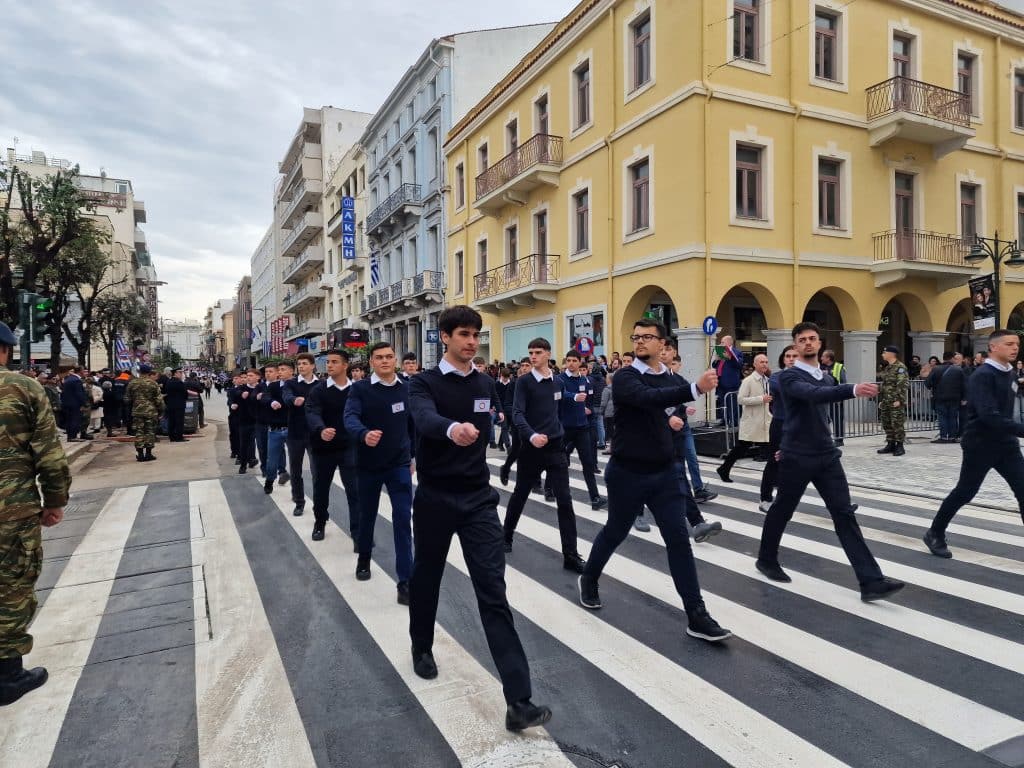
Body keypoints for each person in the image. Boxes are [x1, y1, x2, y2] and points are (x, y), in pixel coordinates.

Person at [407, 305, 552, 732]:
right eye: (464, 334)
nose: (472, 341)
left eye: (476, 334)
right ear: (445, 337)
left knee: (493, 591)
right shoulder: (422, 382)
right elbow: (423, 418)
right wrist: (452, 429)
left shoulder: (487, 382)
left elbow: (501, 416)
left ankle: (519, 700)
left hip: (477, 501)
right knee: (426, 576)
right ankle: (421, 646)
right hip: (434, 497)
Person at [577, 319, 730, 641]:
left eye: (648, 337)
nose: (640, 342)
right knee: (615, 531)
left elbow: (664, 406)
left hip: (664, 473)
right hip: (627, 471)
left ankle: (696, 614)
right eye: (636, 337)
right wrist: (695, 389)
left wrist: (673, 420)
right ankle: (589, 577)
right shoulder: (625, 377)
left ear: (664, 344)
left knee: (678, 542)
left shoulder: (671, 377)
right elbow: (645, 398)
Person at [756, 322, 905, 601]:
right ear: (795, 345)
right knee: (782, 509)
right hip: (797, 456)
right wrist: (853, 389)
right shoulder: (789, 378)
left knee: (844, 514)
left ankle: (870, 581)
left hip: (826, 455)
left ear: (820, 343)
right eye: (802, 340)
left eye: (813, 338)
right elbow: (813, 396)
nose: (808, 343)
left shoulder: (825, 377)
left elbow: (821, 406)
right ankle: (766, 559)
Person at [0, 321, 71, 707]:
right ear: (6, 350)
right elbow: (48, 451)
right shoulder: (24, 388)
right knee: (11, 587)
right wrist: (55, 500)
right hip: (11, 511)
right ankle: (8, 675)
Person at [923, 329, 1024, 559]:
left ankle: (935, 532)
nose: (1014, 347)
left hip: (1006, 444)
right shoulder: (982, 375)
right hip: (981, 443)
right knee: (965, 491)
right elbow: (989, 415)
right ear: (993, 347)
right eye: (1009, 344)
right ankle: (935, 532)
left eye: (1016, 343)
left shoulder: (1009, 373)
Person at [502, 338, 586, 572]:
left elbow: (556, 412)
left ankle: (570, 555)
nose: (533, 356)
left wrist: (557, 433)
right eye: (530, 352)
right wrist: (531, 435)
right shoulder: (524, 383)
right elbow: (518, 414)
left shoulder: (558, 382)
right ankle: (505, 536)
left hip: (555, 448)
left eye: (538, 352)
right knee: (520, 494)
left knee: (565, 501)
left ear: (548, 354)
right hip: (532, 448)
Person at [344, 342, 415, 603]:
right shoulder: (360, 389)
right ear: (371, 362)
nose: (385, 361)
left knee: (402, 520)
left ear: (395, 360)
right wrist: (364, 434)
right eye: (379, 357)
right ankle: (364, 558)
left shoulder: (407, 389)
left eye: (389, 357)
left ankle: (405, 580)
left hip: (399, 465)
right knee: (367, 516)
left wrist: (413, 456)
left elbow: (412, 425)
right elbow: (350, 418)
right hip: (368, 465)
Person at [305, 349, 359, 543]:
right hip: (323, 448)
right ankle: (320, 521)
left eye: (334, 362)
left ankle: (357, 530)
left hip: (349, 447)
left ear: (345, 365)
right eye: (328, 362)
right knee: (321, 489)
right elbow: (312, 412)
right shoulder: (318, 390)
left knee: (354, 490)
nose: (329, 365)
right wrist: (321, 429)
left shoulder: (357, 390)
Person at [555, 351, 606, 510]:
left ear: (580, 362)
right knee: (557, 461)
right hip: (564, 427)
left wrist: (588, 409)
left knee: (588, 463)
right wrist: (574, 397)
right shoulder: (559, 379)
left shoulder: (585, 379)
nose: (571, 363)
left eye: (574, 360)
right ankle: (550, 489)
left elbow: (589, 398)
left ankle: (595, 497)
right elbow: (559, 394)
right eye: (568, 360)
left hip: (582, 427)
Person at [716, 354, 772, 482]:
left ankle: (773, 479)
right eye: (761, 362)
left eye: (766, 362)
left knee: (770, 450)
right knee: (741, 448)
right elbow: (741, 399)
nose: (764, 364)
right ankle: (724, 468)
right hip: (752, 421)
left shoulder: (767, 379)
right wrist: (760, 399)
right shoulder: (748, 381)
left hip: (765, 420)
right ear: (755, 364)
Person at [759, 345, 798, 511]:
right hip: (780, 424)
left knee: (814, 463)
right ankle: (765, 498)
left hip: (801, 425)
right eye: (788, 356)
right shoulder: (776, 377)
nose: (791, 358)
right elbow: (787, 391)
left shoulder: (808, 376)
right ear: (783, 359)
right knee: (774, 461)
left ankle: (839, 504)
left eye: (795, 356)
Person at [281, 354, 318, 516]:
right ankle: (299, 501)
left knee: (318, 471)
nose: (301, 366)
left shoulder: (321, 385)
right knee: (296, 470)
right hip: (295, 433)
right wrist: (294, 400)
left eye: (305, 363)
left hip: (315, 434)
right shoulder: (290, 383)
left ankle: (320, 504)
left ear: (312, 366)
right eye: (299, 364)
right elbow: (286, 397)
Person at [498, 358, 532, 485]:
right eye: (522, 365)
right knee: (518, 449)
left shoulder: (537, 383)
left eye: (527, 365)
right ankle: (506, 468)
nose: (524, 368)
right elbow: (507, 404)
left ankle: (536, 482)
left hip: (534, 422)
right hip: (518, 422)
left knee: (534, 451)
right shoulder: (514, 383)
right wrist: (516, 415)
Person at [261, 363, 291, 492]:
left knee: (296, 462)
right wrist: (272, 402)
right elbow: (265, 397)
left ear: (291, 371)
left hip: (293, 429)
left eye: (283, 369)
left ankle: (296, 491)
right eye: (279, 370)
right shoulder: (273, 386)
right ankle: (269, 481)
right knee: (272, 460)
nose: (280, 372)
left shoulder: (296, 386)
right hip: (275, 429)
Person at [925, 351, 966, 443]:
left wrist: (934, 386)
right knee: (953, 417)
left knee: (942, 417)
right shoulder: (958, 370)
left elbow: (927, 383)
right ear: (952, 358)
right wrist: (964, 398)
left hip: (940, 397)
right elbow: (964, 385)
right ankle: (952, 437)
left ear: (943, 358)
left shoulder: (936, 369)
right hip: (955, 398)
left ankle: (943, 437)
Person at [126, 365, 164, 462]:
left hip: (137, 411)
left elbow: (127, 399)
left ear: (139, 371)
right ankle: (148, 453)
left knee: (139, 432)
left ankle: (140, 454)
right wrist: (161, 411)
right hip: (150, 412)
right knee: (149, 432)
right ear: (149, 372)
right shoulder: (153, 383)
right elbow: (159, 400)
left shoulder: (132, 383)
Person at [877, 345, 909, 456]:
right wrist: (882, 399)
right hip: (886, 401)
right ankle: (890, 444)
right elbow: (885, 385)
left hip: (895, 401)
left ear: (891, 354)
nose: (883, 354)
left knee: (897, 423)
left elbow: (902, 384)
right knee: (886, 423)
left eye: (884, 352)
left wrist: (899, 399)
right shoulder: (887, 368)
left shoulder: (900, 367)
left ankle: (900, 446)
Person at [229, 369, 262, 473]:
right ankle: (243, 465)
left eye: (251, 375)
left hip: (259, 421)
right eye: (247, 375)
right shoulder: (242, 388)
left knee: (261, 444)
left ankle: (258, 462)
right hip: (245, 421)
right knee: (244, 443)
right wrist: (240, 396)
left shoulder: (262, 388)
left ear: (258, 377)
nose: (248, 377)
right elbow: (236, 393)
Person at [714, 335, 744, 427]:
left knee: (732, 403)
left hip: (731, 383)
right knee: (723, 402)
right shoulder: (721, 352)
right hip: (720, 382)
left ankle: (734, 422)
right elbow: (715, 366)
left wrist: (730, 358)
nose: (721, 344)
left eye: (723, 342)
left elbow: (739, 365)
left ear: (729, 342)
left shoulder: (737, 352)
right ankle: (724, 420)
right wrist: (716, 360)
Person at [820, 349, 847, 446]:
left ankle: (839, 440)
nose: (821, 358)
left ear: (828, 358)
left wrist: (840, 396)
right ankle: (825, 438)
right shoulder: (820, 367)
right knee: (824, 418)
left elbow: (843, 382)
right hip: (825, 397)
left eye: (823, 356)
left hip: (836, 398)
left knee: (837, 419)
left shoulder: (838, 367)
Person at [60, 367, 88, 442]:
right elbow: (79, 393)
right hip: (75, 404)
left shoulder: (69, 379)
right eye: (83, 371)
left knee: (69, 420)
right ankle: (73, 436)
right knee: (75, 420)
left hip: (67, 403)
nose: (84, 372)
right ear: (80, 371)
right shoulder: (76, 380)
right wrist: (84, 403)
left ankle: (70, 436)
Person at [162, 369, 188, 442]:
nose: (181, 374)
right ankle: (179, 437)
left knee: (171, 421)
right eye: (180, 372)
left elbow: (165, 392)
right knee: (179, 421)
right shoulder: (179, 382)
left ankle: (172, 437)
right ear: (175, 373)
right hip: (179, 405)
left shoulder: (168, 382)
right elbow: (185, 393)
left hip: (170, 404)